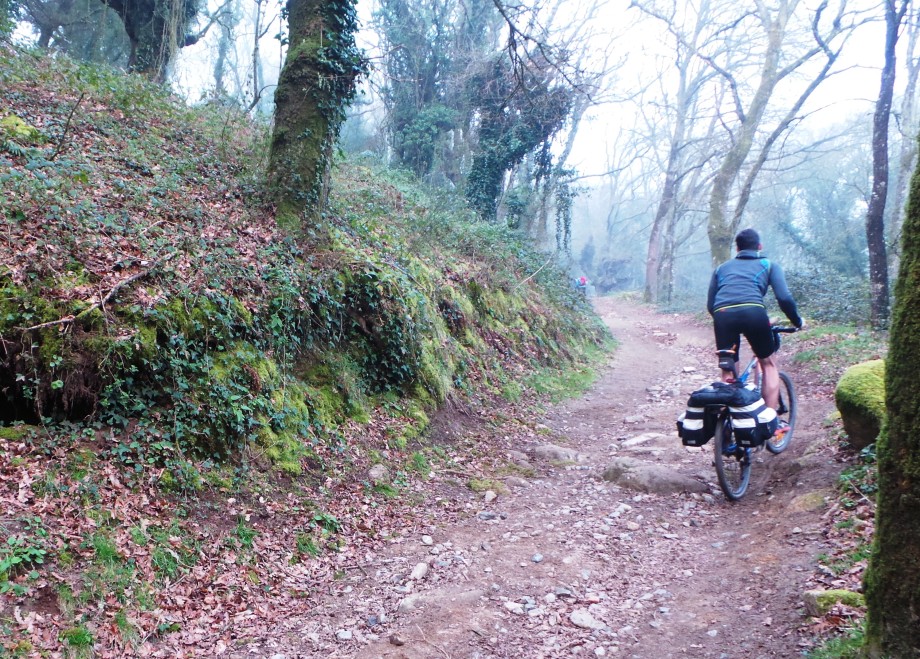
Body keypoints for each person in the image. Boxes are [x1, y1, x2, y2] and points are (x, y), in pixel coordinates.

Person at [707, 228, 803, 431]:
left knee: (728, 368)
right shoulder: (768, 265)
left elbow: (710, 304)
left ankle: (729, 426)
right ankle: (769, 424)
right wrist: (797, 321)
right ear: (759, 247)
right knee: (768, 364)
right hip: (754, 313)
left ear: (737, 248)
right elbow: (784, 298)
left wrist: (725, 319)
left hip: (722, 314)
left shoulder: (721, 268)